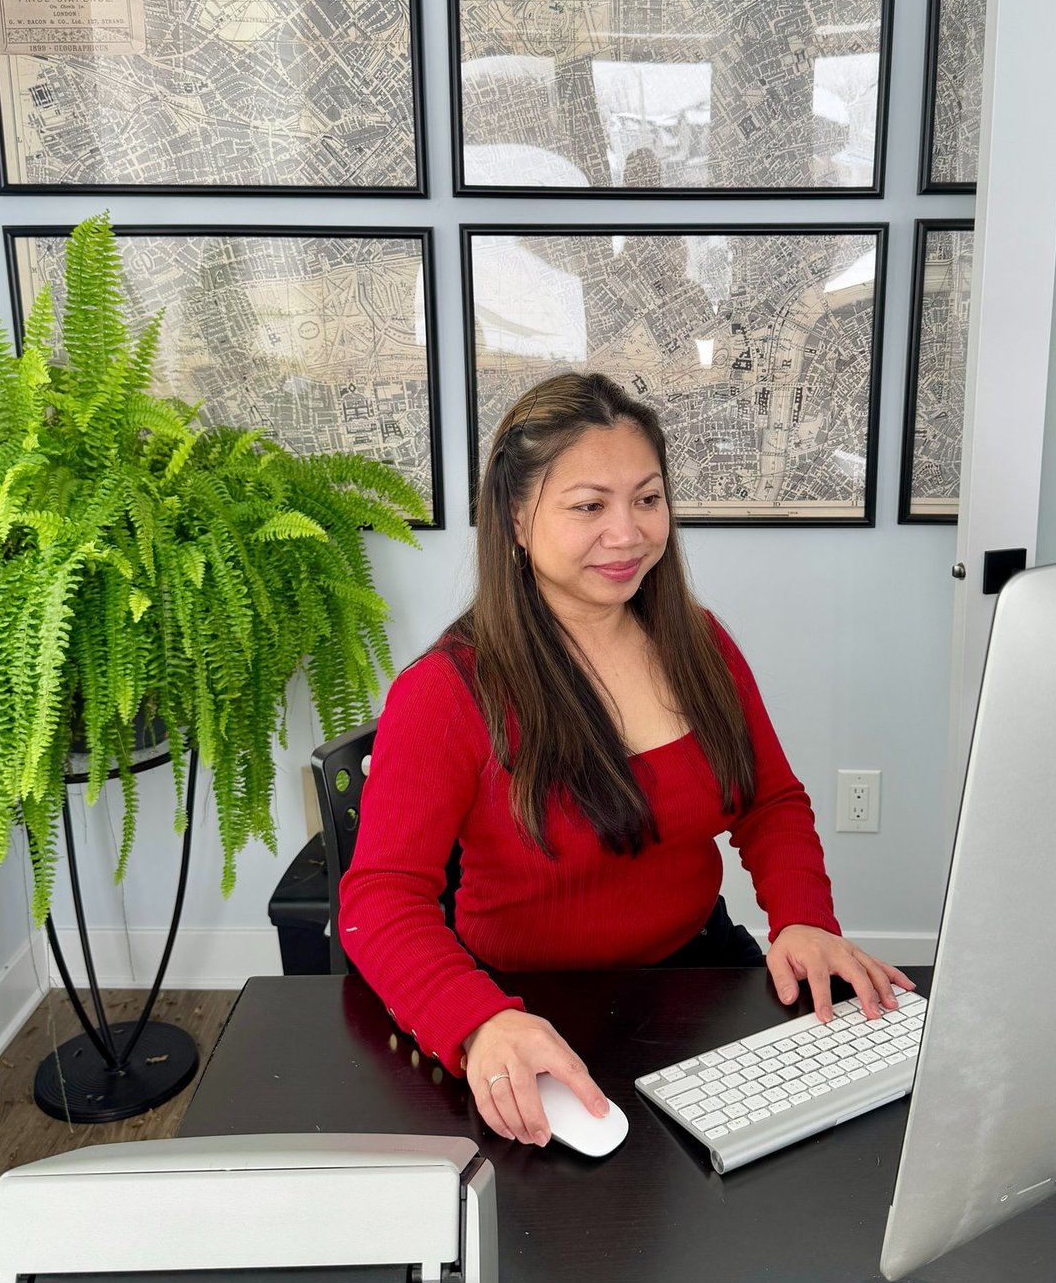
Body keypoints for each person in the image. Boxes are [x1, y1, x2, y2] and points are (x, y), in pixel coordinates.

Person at [339, 372, 913, 1147]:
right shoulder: (446, 691)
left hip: (700, 974)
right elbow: (380, 899)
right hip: (524, 1005)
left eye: (647, 499)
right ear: (516, 519)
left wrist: (804, 918)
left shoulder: (698, 642)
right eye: (589, 506)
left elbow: (770, 802)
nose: (629, 533)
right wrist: (476, 1022)